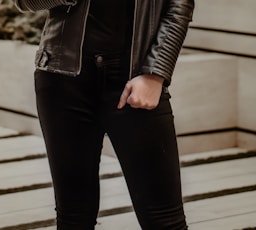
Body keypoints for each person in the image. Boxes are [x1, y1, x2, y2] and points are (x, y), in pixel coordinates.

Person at [15, 0, 194, 229]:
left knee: (166, 221)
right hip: (63, 81)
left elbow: (179, 7)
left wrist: (155, 73)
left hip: (135, 80)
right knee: (73, 217)